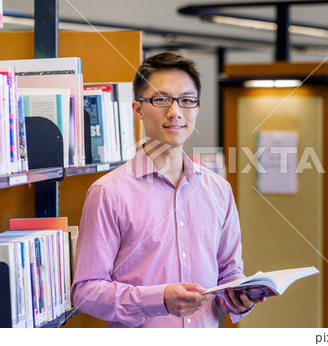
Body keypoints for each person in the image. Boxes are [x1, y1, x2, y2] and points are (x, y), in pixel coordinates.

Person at [71, 51, 265, 327]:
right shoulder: (109, 192)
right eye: (161, 100)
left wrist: (240, 296)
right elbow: (86, 292)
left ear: (197, 108)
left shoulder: (219, 189)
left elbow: (230, 273)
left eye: (186, 101)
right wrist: (158, 300)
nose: (175, 112)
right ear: (138, 108)